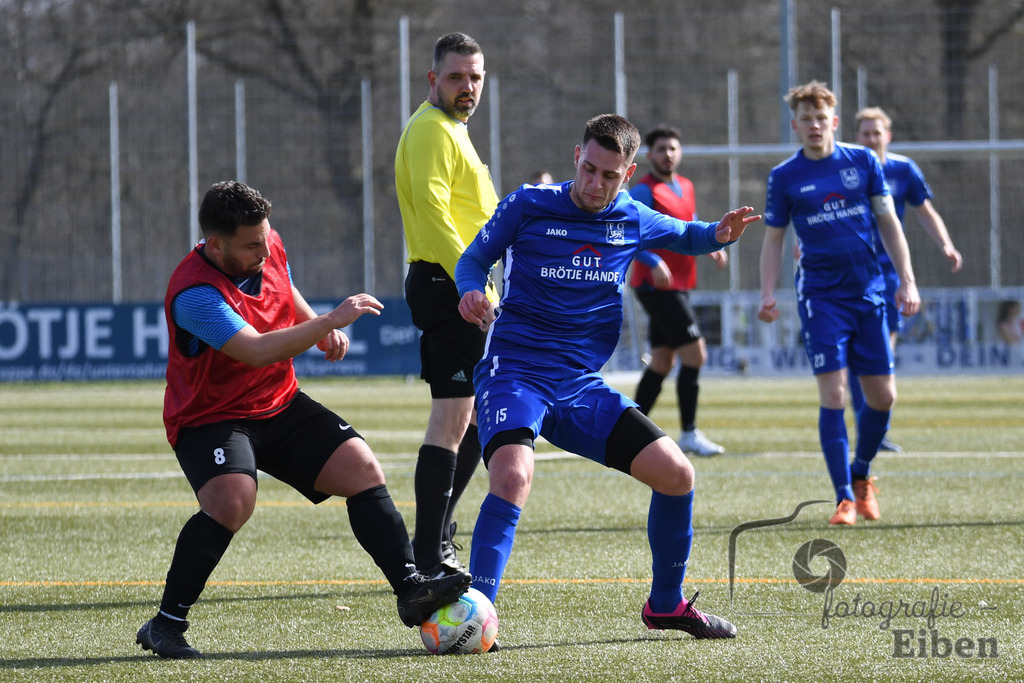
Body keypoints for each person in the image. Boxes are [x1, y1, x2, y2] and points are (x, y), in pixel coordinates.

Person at [136, 181, 470, 659]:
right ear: (215, 244)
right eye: (251, 244)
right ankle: (165, 624)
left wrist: (312, 321)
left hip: (278, 402)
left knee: (361, 468)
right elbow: (253, 349)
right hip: (211, 417)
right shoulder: (193, 294)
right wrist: (328, 323)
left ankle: (410, 588)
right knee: (232, 502)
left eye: (265, 238)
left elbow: (282, 285)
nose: (263, 249)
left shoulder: (265, 243)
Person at [457, 113, 759, 639]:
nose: (596, 184)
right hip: (516, 371)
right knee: (512, 476)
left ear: (629, 172)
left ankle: (665, 605)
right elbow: (473, 258)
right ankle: (477, 612)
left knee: (677, 475)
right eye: (589, 169)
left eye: (610, 176)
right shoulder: (529, 204)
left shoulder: (631, 215)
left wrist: (720, 234)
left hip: (578, 383)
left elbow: (686, 236)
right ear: (577, 156)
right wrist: (470, 290)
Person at [758, 82, 921, 526]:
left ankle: (862, 472)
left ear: (833, 121)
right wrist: (768, 291)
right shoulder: (784, 176)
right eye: (804, 119)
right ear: (795, 125)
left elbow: (889, 224)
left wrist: (906, 280)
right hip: (820, 296)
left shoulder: (863, 161)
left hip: (868, 292)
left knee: (884, 397)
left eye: (820, 117)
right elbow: (773, 240)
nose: (813, 125)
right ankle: (843, 498)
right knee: (834, 393)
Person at [394, 32, 499, 576]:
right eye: (457, 77)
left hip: (457, 285)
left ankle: (435, 536)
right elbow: (435, 213)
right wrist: (469, 284)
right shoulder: (434, 130)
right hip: (447, 286)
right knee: (454, 416)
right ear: (433, 80)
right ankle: (430, 553)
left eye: (476, 77)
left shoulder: (453, 130)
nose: (468, 86)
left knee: (479, 413)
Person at [852, 106, 963, 452]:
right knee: (862, 353)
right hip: (852, 272)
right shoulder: (845, 169)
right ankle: (868, 430)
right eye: (865, 133)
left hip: (889, 274)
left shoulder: (903, 170)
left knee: (883, 351)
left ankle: (875, 430)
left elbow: (926, 212)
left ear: (888, 136)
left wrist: (945, 244)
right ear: (856, 138)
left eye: (876, 133)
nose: (871, 139)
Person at [629, 124, 727, 456]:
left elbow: (691, 224)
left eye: (672, 148)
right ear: (649, 155)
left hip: (680, 285)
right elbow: (629, 235)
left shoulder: (686, 185)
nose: (667, 154)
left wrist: (710, 242)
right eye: (661, 149)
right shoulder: (644, 191)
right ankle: (689, 433)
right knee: (695, 354)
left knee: (661, 362)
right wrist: (653, 261)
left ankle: (626, 428)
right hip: (655, 286)